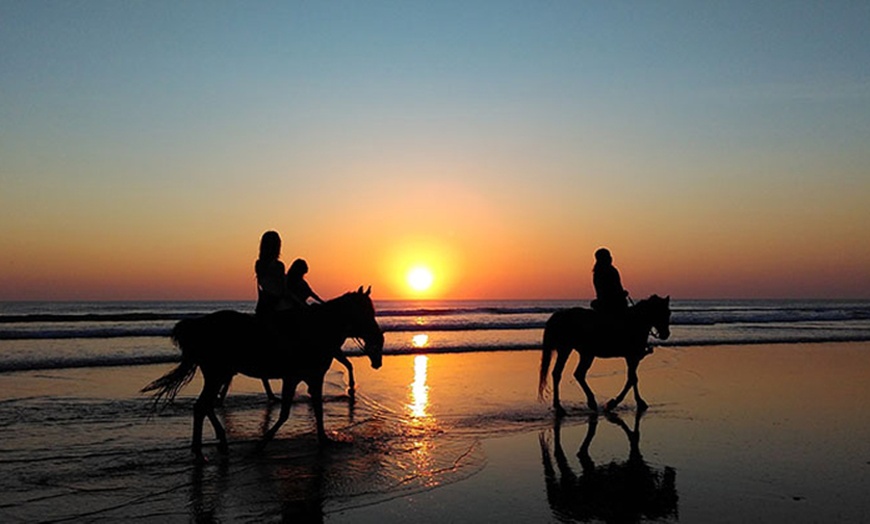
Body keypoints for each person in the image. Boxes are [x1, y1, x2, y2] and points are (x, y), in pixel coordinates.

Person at [255, 231, 287, 318]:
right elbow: (282, 289)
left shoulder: (259, 264)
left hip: (263, 305)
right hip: (276, 306)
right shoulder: (279, 266)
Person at [590, 248, 629, 315]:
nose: (611, 258)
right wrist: (622, 294)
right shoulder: (608, 271)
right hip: (612, 303)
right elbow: (609, 290)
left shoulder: (598, 271)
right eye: (608, 256)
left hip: (605, 301)